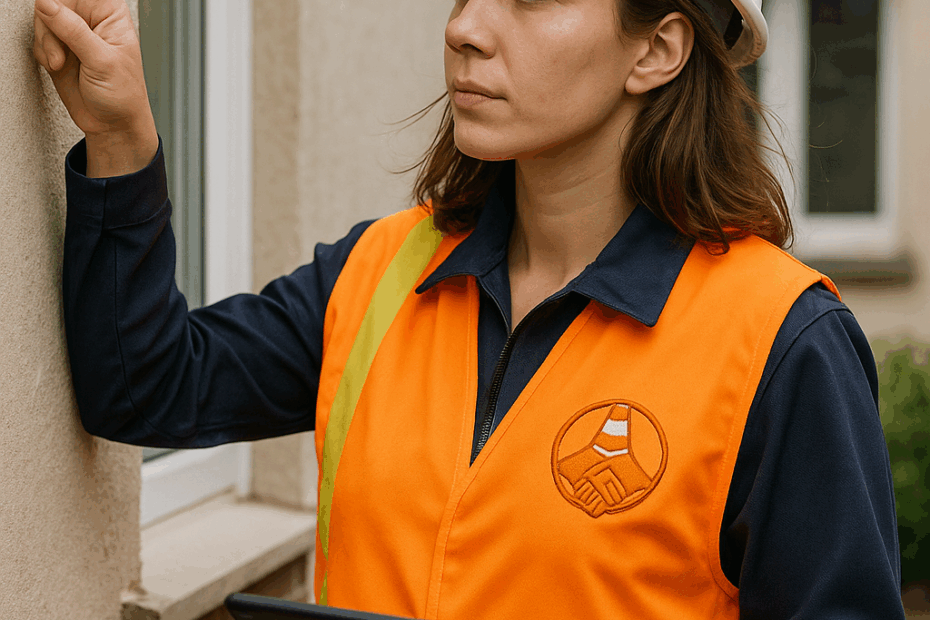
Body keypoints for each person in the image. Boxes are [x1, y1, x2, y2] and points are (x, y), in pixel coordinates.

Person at [34, 0, 906, 618]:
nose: (464, 28)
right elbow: (144, 387)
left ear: (659, 48)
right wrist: (120, 140)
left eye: (529, 0)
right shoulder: (381, 274)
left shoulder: (782, 341)